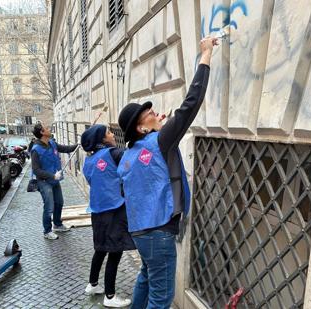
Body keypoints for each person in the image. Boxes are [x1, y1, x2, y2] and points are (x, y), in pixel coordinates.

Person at [117, 36, 216, 308]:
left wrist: (160, 130)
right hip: (159, 232)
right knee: (161, 299)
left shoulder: (128, 156)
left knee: (146, 279)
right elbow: (189, 106)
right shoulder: (158, 142)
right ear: (141, 127)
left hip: (139, 232)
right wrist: (205, 55)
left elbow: (129, 187)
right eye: (148, 113)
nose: (155, 112)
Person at [81, 124, 135, 308]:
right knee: (114, 250)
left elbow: (91, 181)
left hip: (97, 211)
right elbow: (131, 161)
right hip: (114, 210)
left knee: (101, 248)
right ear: (103, 139)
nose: (113, 135)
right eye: (109, 132)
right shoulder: (114, 153)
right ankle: (110, 296)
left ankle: (93, 284)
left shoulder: (88, 161)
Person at [31, 123, 78, 240]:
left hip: (54, 180)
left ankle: (57, 224)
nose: (49, 129)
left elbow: (64, 148)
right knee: (49, 206)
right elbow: (36, 170)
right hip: (44, 181)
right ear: (42, 132)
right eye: (46, 128)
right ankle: (47, 231)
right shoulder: (35, 150)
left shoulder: (52, 143)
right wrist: (52, 175)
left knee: (59, 202)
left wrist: (78, 145)